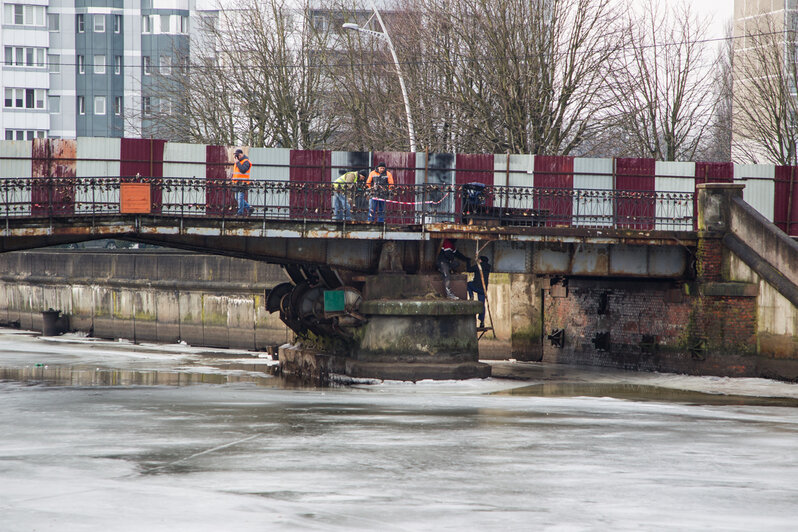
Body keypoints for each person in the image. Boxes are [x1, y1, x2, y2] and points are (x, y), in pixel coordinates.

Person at [467, 255, 491, 328]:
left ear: (480, 260)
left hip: (476, 286)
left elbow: (469, 269)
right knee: (482, 304)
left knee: (468, 284)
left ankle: (471, 296)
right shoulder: (489, 267)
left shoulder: (479, 266)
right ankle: (482, 322)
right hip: (483, 289)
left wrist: (468, 261)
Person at [232, 148, 252, 216]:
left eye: (238, 155)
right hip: (237, 183)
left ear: (241, 155)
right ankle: (249, 208)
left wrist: (237, 162)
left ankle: (240, 212)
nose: (237, 157)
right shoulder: (238, 162)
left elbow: (243, 170)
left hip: (243, 183)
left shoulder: (246, 162)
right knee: (237, 198)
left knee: (240, 198)